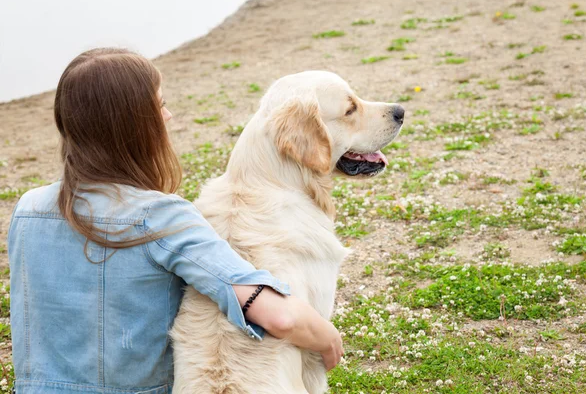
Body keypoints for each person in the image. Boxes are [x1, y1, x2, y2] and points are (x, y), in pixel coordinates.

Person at [8, 48, 343, 394]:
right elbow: (276, 314)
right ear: (135, 126)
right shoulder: (160, 216)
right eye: (160, 106)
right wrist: (327, 337)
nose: (168, 116)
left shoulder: (28, 209)